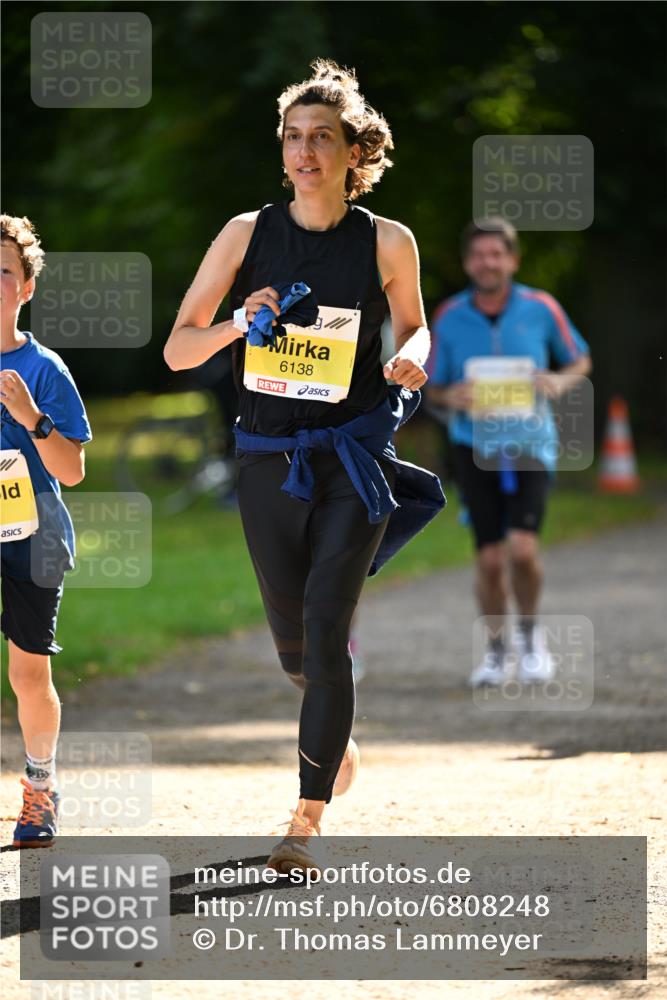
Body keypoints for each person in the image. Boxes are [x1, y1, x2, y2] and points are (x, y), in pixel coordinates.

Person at [164, 59, 443, 874]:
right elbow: (180, 348)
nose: (304, 151)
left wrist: (412, 360)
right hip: (265, 462)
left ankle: (302, 821)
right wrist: (233, 324)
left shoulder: (387, 241)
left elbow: (416, 329)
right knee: (295, 653)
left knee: (326, 631)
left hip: (352, 458)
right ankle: (335, 731)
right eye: (293, 137)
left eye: (322, 137)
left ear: (355, 151)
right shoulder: (246, 234)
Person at [427, 217, 591, 688]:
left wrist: (560, 379)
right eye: (479, 254)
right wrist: (448, 395)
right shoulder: (449, 316)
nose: (488, 262)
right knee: (490, 559)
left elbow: (580, 357)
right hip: (473, 445)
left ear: (513, 259)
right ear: (467, 263)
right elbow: (432, 385)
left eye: (496, 254)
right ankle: (497, 652)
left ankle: (531, 636)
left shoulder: (542, 307)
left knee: (522, 550)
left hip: (530, 443)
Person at [0, 214, 92, 846]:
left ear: (25, 287)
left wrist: (30, 417)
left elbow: (73, 468)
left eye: (3, 271)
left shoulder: (45, 368)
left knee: (29, 672)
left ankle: (39, 789)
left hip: (31, 530)